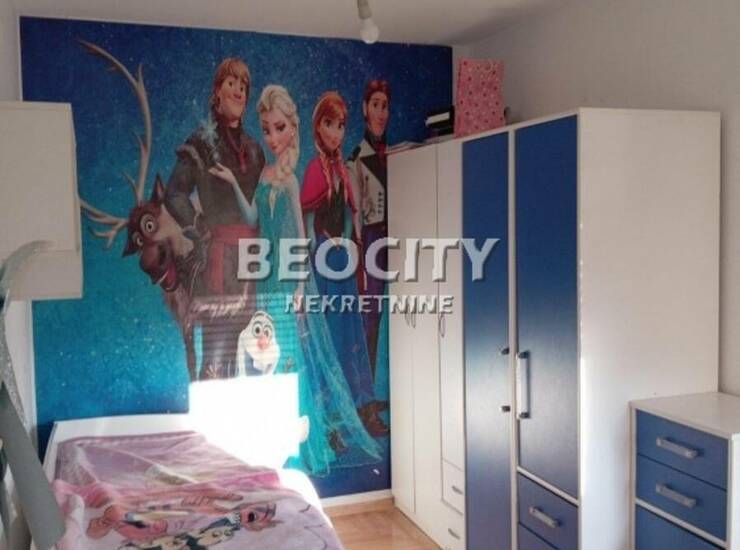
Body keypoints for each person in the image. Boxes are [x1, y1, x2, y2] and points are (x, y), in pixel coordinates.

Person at [210, 85, 382, 473]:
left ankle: (302, 439)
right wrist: (234, 182)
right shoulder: (267, 175)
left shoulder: (290, 181)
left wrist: (302, 288)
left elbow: (302, 237)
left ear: (294, 128)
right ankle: (277, 437)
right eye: (267, 129)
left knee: (291, 360)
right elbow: (253, 219)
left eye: (279, 128)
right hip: (267, 279)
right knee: (268, 357)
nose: (273, 138)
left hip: (289, 280)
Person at [164, 57, 265, 379]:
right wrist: (199, 229)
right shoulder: (200, 144)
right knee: (216, 359)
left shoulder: (254, 150)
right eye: (231, 83)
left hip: (253, 262)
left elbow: (261, 207)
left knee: (253, 354)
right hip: (219, 263)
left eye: (243, 86)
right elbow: (174, 194)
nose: (238, 91)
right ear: (217, 91)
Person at [300, 91, 388, 437]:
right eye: (329, 124)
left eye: (340, 126)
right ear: (317, 126)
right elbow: (308, 219)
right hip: (324, 261)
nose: (335, 133)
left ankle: (361, 406)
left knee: (353, 336)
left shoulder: (342, 168)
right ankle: (330, 422)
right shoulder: (314, 169)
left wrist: (350, 245)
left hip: (343, 260)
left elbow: (351, 214)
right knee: (331, 340)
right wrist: (319, 251)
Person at [348, 80, 390, 376]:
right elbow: (356, 215)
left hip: (395, 236)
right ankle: (367, 382)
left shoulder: (395, 154)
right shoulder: (357, 158)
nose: (381, 113)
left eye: (385, 106)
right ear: (365, 108)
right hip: (371, 239)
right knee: (371, 313)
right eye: (375, 105)